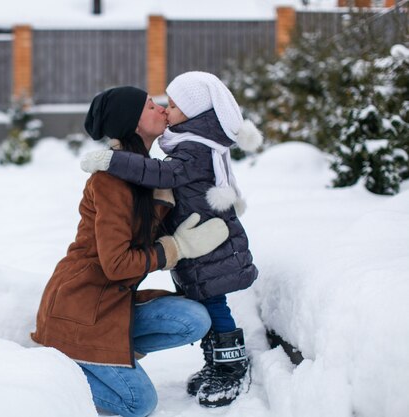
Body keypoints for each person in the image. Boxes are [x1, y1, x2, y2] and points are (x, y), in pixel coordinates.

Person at [31, 86, 230, 417]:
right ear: (133, 123)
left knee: (194, 320)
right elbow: (118, 265)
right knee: (138, 404)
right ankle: (58, 370)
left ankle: (104, 353)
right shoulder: (111, 181)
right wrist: (175, 249)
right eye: (152, 106)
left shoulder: (145, 172)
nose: (163, 109)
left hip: (111, 304)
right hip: (78, 311)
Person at [80, 71, 263, 407]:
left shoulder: (193, 147)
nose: (165, 109)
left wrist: (113, 160)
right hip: (196, 246)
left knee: (213, 304)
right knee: (204, 301)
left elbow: (164, 174)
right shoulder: (191, 143)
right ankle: (216, 361)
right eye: (158, 104)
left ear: (194, 114)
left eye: (174, 105)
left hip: (209, 247)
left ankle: (230, 364)